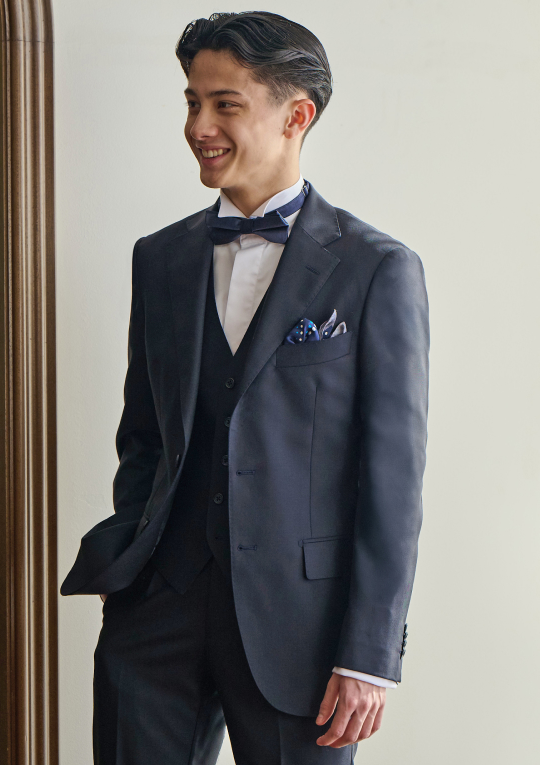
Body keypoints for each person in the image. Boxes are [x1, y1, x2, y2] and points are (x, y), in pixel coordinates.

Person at [61, 11, 429, 764]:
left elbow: (392, 479)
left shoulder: (375, 270)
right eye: (192, 102)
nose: (199, 126)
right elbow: (144, 435)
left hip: (303, 627)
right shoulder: (159, 259)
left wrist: (368, 653)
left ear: (297, 116)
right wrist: (130, 552)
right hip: (155, 615)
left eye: (224, 104)